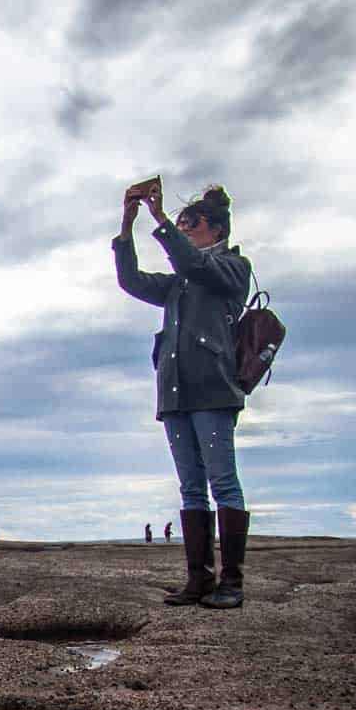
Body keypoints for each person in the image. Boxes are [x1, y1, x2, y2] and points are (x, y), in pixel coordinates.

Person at [114, 181, 252, 609]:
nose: (184, 228)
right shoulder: (179, 284)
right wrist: (128, 224)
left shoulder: (231, 268)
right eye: (181, 223)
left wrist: (160, 220)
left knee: (223, 483)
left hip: (212, 391)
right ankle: (199, 580)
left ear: (216, 228)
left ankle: (231, 582)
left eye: (190, 222)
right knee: (191, 489)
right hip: (174, 395)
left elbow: (194, 265)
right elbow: (132, 280)